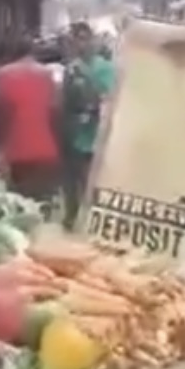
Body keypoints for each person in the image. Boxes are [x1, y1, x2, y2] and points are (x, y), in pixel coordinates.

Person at [60, 23, 115, 229]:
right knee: (72, 183)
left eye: (84, 39)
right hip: (73, 136)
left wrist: (93, 110)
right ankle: (72, 217)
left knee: (92, 184)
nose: (80, 44)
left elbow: (110, 99)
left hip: (96, 136)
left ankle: (93, 222)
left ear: (92, 40)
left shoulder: (105, 68)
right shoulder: (70, 68)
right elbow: (64, 101)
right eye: (76, 40)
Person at [0, 36, 59, 205]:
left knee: (20, 205)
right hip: (46, 149)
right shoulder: (47, 74)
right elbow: (55, 111)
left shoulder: (3, 74)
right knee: (42, 204)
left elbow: (2, 114)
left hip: (17, 150)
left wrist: (1, 149)